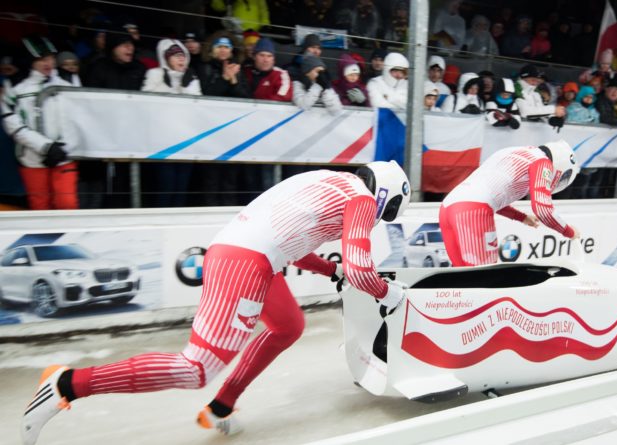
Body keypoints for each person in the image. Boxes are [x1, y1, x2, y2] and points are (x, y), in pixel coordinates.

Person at [21, 161, 412, 444]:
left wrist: (330, 272)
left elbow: (290, 241)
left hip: (245, 253)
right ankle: (68, 384)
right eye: (389, 212)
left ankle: (222, 407)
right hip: (247, 263)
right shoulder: (361, 200)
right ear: (385, 196)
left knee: (289, 326)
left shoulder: (329, 180)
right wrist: (391, 295)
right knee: (197, 369)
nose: (383, 218)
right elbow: (362, 268)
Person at [439, 141, 580, 267]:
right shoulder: (542, 163)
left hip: (448, 206)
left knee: (460, 282)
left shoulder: (513, 150)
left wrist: (522, 217)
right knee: (483, 281)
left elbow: (492, 194)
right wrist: (569, 231)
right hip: (473, 211)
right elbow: (543, 209)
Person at [1, 36, 77, 210]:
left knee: (67, 205)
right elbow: (12, 125)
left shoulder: (67, 84)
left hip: (64, 157)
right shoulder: (14, 88)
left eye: (50, 57)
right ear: (30, 61)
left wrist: (63, 148)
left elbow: (77, 120)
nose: (47, 63)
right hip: (32, 159)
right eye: (41, 59)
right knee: (40, 209)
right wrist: (46, 147)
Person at [141, 39, 201, 208]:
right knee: (166, 187)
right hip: (164, 142)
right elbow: (144, 101)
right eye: (175, 56)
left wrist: (185, 86)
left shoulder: (192, 77)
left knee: (181, 189)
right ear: (166, 59)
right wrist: (167, 85)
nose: (180, 59)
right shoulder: (155, 74)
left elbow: (198, 107)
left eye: (182, 55)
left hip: (187, 141)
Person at [197, 32, 248, 98]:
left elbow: (246, 98)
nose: (223, 50)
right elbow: (205, 96)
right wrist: (224, 79)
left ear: (231, 51)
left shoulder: (236, 68)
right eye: (219, 47)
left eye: (226, 47)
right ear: (212, 50)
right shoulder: (205, 67)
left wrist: (234, 81)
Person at [243, 37, 293, 102]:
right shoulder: (246, 70)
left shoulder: (280, 74)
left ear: (273, 60)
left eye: (269, 56)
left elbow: (284, 96)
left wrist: (258, 103)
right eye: (262, 55)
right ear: (254, 57)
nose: (266, 60)